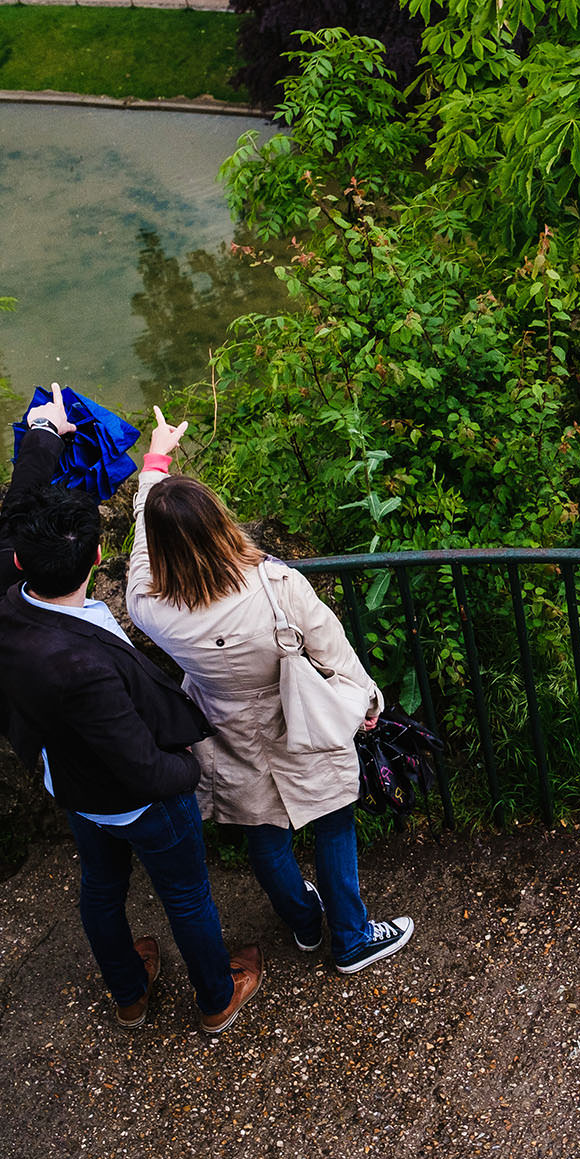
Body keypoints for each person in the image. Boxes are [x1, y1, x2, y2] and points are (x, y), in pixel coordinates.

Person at [0, 385, 264, 1034]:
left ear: (19, 558)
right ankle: (217, 995)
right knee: (185, 893)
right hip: (137, 800)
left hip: (69, 784)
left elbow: (16, 508)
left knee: (101, 887)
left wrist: (46, 432)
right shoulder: (82, 666)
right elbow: (140, 763)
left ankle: (129, 992)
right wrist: (192, 770)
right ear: (98, 558)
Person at [125, 408, 415, 975]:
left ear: (162, 549)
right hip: (298, 714)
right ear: (219, 524)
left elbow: (140, 548)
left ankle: (304, 923)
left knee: (264, 828)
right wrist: (368, 701)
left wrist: (153, 468)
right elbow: (333, 650)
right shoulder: (276, 584)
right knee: (332, 820)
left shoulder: (150, 605)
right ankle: (352, 938)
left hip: (225, 723)